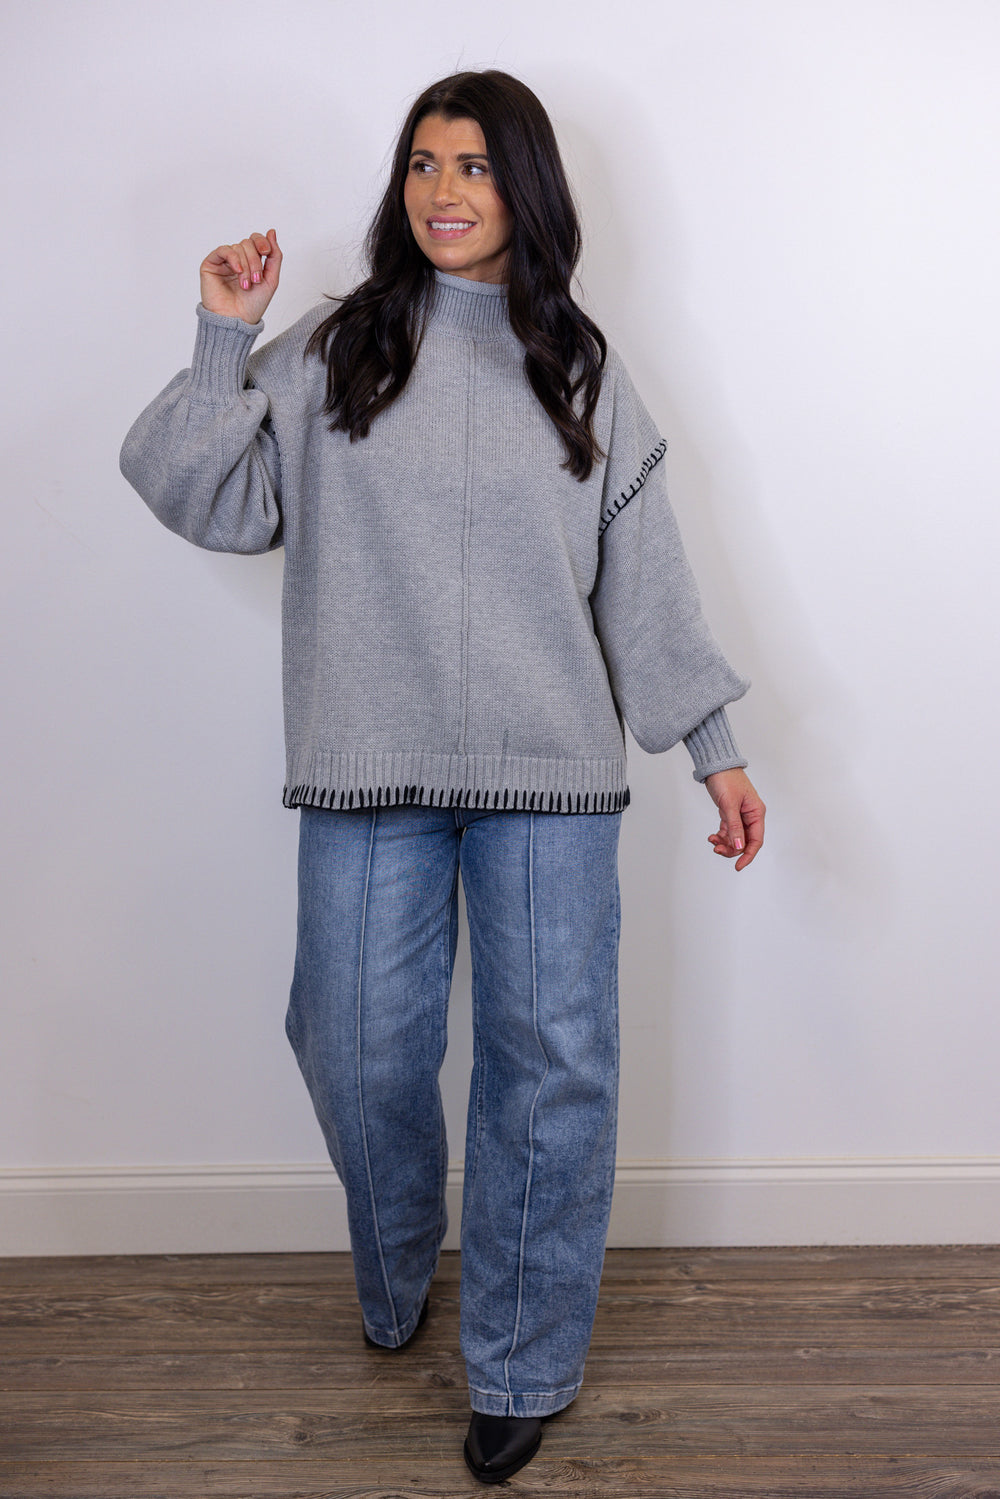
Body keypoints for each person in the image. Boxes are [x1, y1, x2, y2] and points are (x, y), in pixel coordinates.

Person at [120, 69, 765, 1485]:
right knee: (352, 1046)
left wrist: (712, 747)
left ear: (523, 188)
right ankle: (400, 1254)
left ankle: (522, 1363)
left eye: (473, 164)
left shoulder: (580, 366)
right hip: (368, 775)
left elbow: (644, 580)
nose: (443, 190)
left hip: (552, 779)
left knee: (552, 1069)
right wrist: (223, 336)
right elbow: (194, 490)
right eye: (423, 162)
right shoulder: (336, 347)